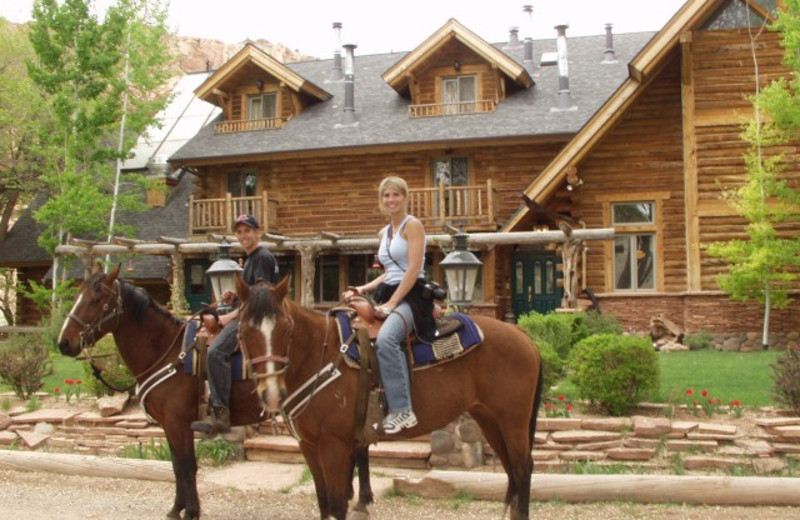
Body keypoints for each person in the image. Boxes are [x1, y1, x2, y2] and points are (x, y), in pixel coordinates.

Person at [343, 176, 437, 435]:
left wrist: (394, 302)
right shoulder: (383, 233)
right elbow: (389, 272)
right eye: (386, 195)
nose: (391, 200)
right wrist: (363, 289)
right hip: (389, 292)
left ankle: (403, 410)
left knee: (386, 339)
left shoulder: (413, 225)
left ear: (405, 197)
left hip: (412, 295)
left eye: (396, 195)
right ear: (381, 200)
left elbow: (414, 267)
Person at [191, 213, 279, 435]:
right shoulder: (250, 258)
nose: (243, 236)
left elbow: (260, 298)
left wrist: (231, 316)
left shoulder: (261, 257)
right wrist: (235, 297)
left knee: (215, 353)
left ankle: (221, 415)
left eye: (247, 231)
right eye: (239, 232)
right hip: (245, 312)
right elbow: (251, 293)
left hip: (252, 319)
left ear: (257, 232)